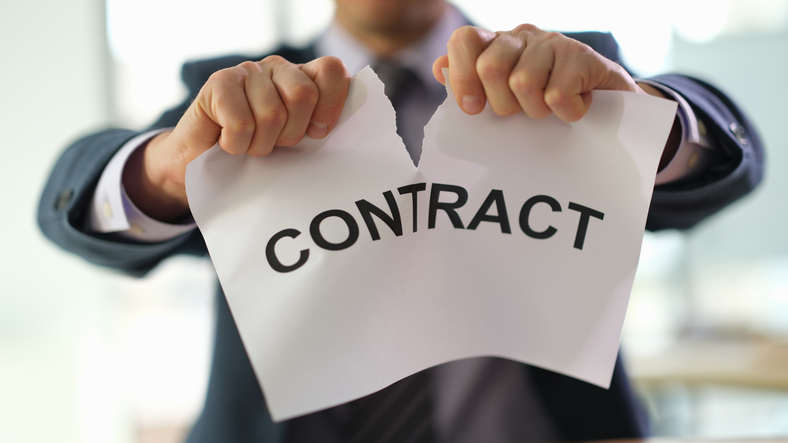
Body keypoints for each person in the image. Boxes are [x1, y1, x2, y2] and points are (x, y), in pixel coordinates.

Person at [38, 0, 763, 442]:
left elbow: (734, 157)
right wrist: (164, 169)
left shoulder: (563, 75)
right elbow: (74, 193)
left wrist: (642, 123)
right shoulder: (237, 96)